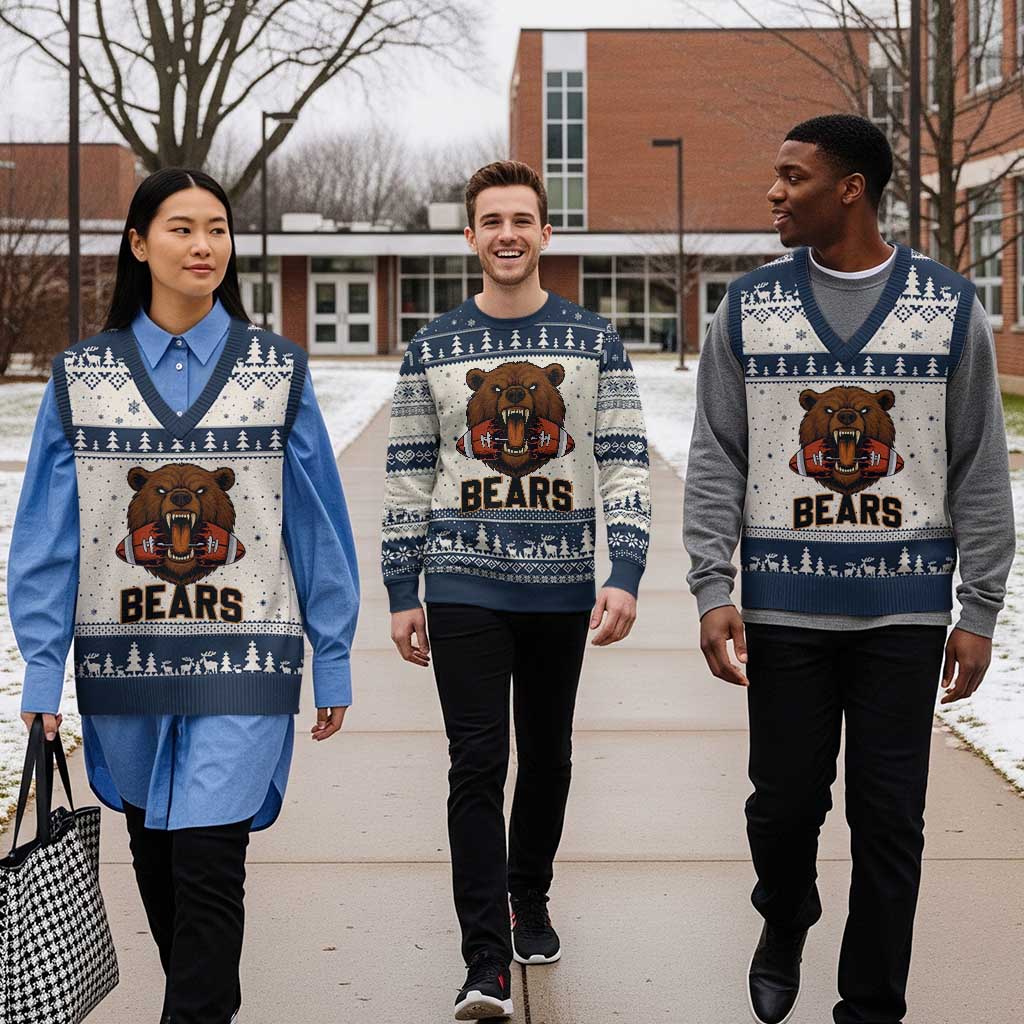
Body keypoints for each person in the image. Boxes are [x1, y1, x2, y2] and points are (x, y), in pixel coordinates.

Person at [684, 113, 1014, 1024]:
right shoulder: (749, 307)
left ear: (851, 189)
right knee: (782, 811)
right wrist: (713, 585)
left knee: (889, 824)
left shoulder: (947, 307)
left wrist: (980, 607)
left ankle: (871, 1005)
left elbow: (979, 463)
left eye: (793, 176)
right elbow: (718, 452)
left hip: (904, 617)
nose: (774, 192)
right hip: (785, 610)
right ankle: (784, 913)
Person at [11, 168, 359, 1024]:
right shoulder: (81, 377)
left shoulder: (277, 371)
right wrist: (42, 675)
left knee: (210, 864)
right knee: (159, 861)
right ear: (138, 244)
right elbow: (48, 539)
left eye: (216, 229)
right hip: (122, 663)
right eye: (180, 228)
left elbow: (316, 524)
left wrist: (335, 654)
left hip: (246, 660)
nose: (203, 246)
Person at [381, 160, 651, 1021]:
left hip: (562, 585)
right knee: (476, 761)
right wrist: (401, 586)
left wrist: (627, 569)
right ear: (470, 236)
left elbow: (623, 460)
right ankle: (484, 960)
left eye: (522, 220)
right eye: (491, 220)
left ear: (545, 233)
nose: (507, 234)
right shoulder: (432, 349)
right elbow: (407, 477)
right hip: (462, 582)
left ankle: (527, 895)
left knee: (548, 753)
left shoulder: (593, 341)